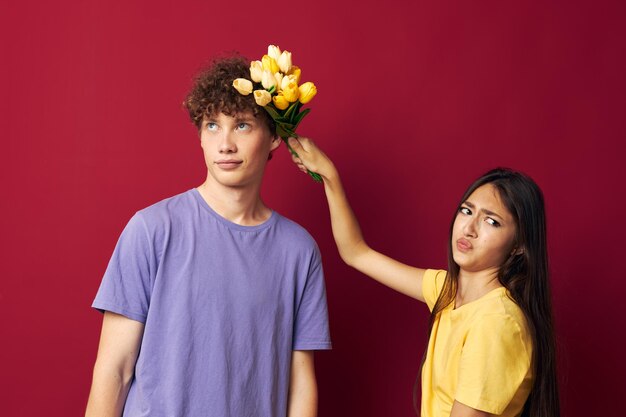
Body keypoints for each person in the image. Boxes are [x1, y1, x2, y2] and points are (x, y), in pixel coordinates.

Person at [85, 56, 331, 417]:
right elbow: (114, 370)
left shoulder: (299, 251)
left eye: (243, 126)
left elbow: (300, 383)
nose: (225, 144)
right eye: (212, 125)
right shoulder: (152, 229)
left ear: (275, 137)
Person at [287, 137, 559, 417]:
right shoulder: (447, 291)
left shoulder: (496, 322)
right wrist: (329, 174)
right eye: (467, 211)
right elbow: (356, 253)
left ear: (518, 245)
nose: (469, 229)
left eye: (491, 221)